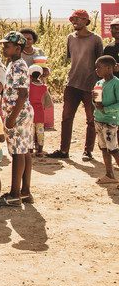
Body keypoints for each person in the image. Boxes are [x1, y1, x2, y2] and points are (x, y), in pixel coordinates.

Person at [49, 9, 104, 161]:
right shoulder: (70, 38)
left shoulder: (96, 39)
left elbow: (101, 63)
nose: (75, 21)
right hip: (72, 83)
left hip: (91, 85)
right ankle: (64, 150)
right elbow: (70, 60)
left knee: (91, 119)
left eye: (79, 19)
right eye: (73, 19)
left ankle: (88, 151)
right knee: (66, 118)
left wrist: (99, 86)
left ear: (86, 21)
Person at [0, 31, 33, 208]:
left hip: (17, 113)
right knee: (24, 151)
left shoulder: (18, 66)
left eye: (7, 45)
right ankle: (25, 191)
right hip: (20, 113)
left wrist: (11, 117)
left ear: (18, 48)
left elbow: (22, 94)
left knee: (18, 153)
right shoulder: (13, 63)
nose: (4, 48)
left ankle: (14, 194)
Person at [93, 56, 119, 184]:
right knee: (103, 148)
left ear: (109, 68)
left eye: (99, 67)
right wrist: (94, 100)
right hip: (99, 119)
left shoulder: (116, 83)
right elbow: (97, 103)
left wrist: (105, 109)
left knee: (113, 149)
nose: (96, 70)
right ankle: (109, 174)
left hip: (110, 120)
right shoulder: (99, 83)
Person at [28, 65, 51, 156]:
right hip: (40, 113)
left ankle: (30, 150)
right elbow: (48, 102)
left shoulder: (29, 86)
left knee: (31, 132)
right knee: (40, 131)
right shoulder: (44, 87)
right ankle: (40, 150)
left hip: (30, 113)